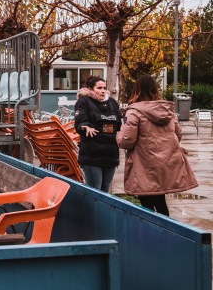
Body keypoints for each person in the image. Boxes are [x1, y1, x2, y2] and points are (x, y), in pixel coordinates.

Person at [116, 75, 198, 216]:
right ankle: (166, 232)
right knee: (160, 200)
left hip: (143, 164)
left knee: (146, 203)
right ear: (155, 89)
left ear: (136, 90)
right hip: (165, 163)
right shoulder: (166, 110)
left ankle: (152, 234)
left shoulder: (134, 111)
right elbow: (178, 134)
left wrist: (117, 134)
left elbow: (126, 140)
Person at [74, 76, 122, 192]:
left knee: (105, 191)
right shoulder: (84, 102)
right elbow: (80, 121)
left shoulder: (112, 103)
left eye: (104, 88)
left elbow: (119, 123)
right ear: (90, 89)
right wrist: (85, 127)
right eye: (99, 88)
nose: (103, 90)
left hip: (110, 155)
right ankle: (90, 211)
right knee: (95, 190)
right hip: (92, 155)